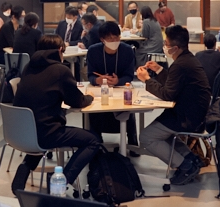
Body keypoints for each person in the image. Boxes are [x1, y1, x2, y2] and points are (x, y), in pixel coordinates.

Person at [11, 35, 99, 195]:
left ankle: (24, 169)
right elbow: (77, 101)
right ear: (59, 50)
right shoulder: (60, 70)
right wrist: (90, 97)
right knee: (93, 140)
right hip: (46, 133)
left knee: (42, 131)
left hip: (21, 133)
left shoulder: (29, 66)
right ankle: (62, 181)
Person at [136, 25, 211, 185]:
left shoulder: (180, 64)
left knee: (146, 137)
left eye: (166, 43)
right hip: (194, 112)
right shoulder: (187, 59)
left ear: (175, 48)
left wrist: (147, 80)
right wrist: (159, 70)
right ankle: (191, 158)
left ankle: (185, 166)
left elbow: (167, 94)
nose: (164, 46)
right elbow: (174, 84)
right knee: (163, 135)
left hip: (187, 117)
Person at [86, 21, 138, 153]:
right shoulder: (93, 51)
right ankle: (96, 142)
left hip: (121, 89)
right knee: (93, 109)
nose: (114, 41)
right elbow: (90, 75)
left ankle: (133, 142)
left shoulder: (127, 50)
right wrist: (97, 80)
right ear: (102, 39)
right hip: (99, 90)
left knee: (127, 108)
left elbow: (129, 75)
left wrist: (118, 81)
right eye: (110, 38)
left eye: (117, 38)